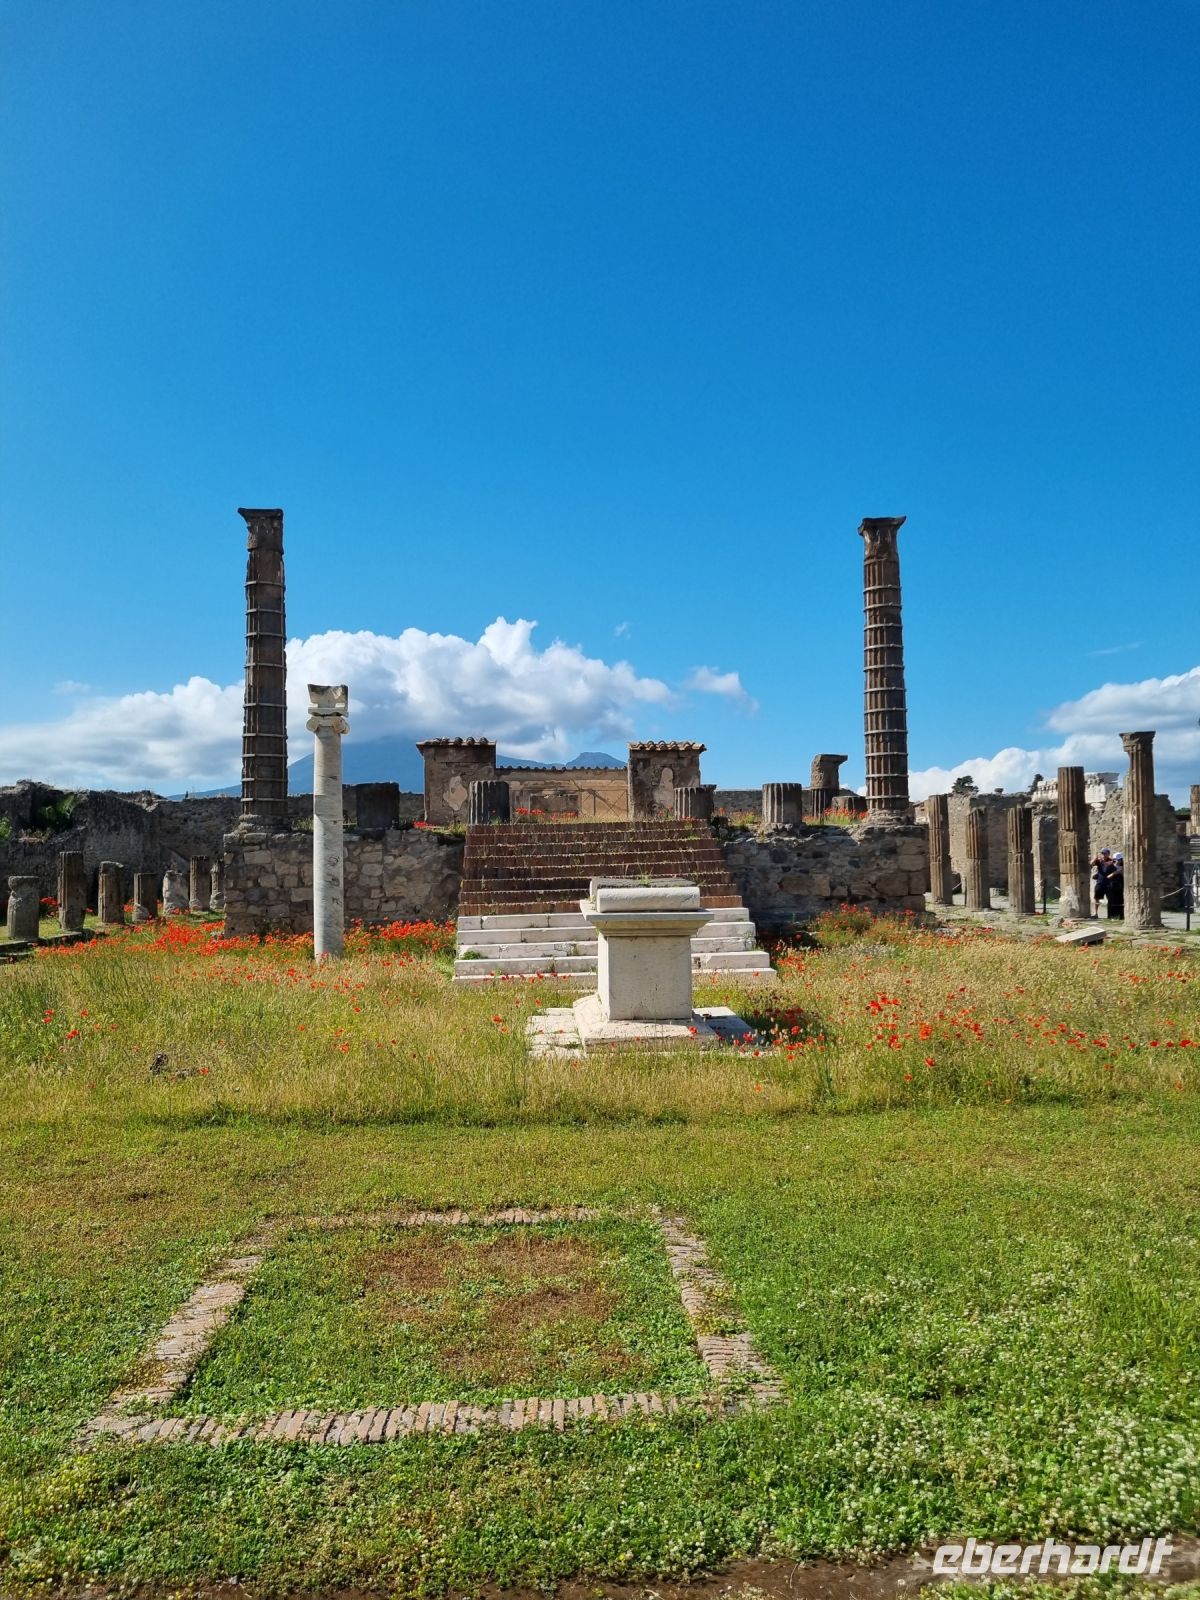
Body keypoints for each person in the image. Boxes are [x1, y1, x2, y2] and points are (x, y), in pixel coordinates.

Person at [1091, 848, 1113, 917]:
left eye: (1105, 853)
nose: (1103, 855)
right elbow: (1091, 863)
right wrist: (1095, 858)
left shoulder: (1111, 861)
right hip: (1100, 882)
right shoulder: (1099, 861)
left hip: (1108, 883)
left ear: (1108, 854)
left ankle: (1110, 914)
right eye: (1102, 853)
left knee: (1110, 899)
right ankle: (1095, 913)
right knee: (1097, 898)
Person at [1106, 852, 1125, 920]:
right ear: (1114, 859)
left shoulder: (1123, 866)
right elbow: (1107, 876)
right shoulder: (1110, 866)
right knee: (1112, 901)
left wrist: (1121, 872)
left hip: (1121, 886)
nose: (1119, 861)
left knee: (1121, 901)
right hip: (1112, 886)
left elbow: (1126, 877)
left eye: (1120, 859)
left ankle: (1121, 916)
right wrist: (1115, 873)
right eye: (1118, 859)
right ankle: (1111, 916)